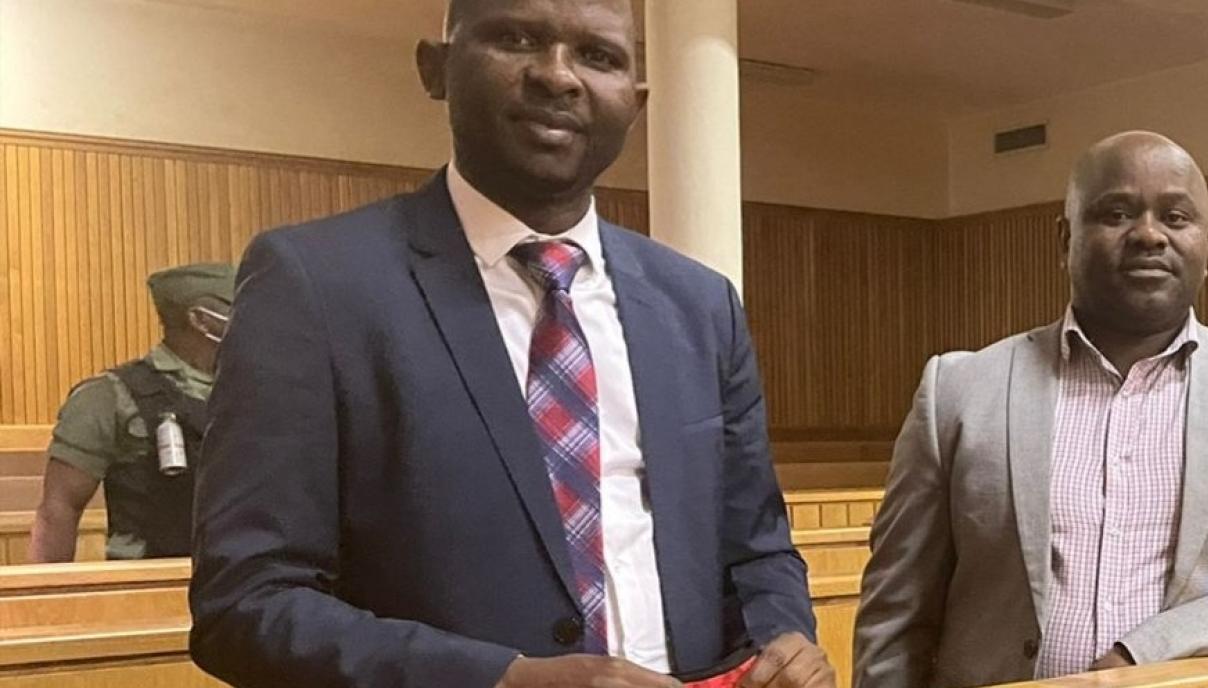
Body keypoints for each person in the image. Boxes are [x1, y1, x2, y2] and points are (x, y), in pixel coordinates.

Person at [187, 1, 833, 687]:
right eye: (516, 38)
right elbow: (245, 605)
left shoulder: (699, 305)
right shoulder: (316, 284)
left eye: (599, 56)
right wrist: (502, 679)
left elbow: (757, 549)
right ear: (435, 69)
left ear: (636, 102)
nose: (558, 76)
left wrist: (782, 638)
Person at [852, 131, 1208, 687]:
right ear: (1065, 239)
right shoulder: (959, 390)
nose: (1149, 235)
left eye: (1175, 217)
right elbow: (898, 614)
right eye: (1116, 213)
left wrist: (1156, 646)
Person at [28, 263, 234, 562]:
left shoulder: (256, 389)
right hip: (147, 583)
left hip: (242, 583)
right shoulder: (109, 395)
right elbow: (58, 511)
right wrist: (45, 603)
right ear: (201, 320)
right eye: (236, 306)